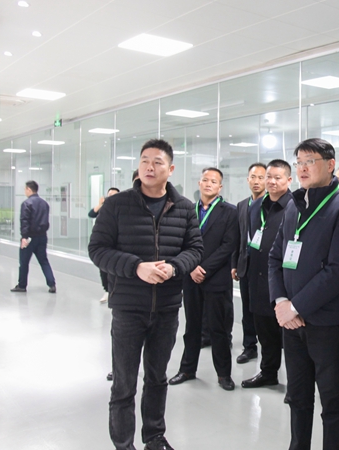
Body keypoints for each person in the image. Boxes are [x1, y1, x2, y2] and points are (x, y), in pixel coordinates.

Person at [88, 138, 203, 450]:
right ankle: (123, 444)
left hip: (166, 308)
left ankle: (154, 436)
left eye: (157, 162)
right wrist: (136, 267)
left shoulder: (184, 208)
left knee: (157, 377)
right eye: (144, 161)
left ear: (171, 169)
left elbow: (195, 249)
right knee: (123, 384)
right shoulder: (117, 205)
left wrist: (175, 267)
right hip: (128, 308)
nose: (149, 167)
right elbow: (97, 249)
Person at [268, 138, 339, 450]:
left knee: (332, 399)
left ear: (330, 165)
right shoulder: (294, 204)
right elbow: (275, 257)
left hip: (326, 323)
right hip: (291, 322)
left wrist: (295, 307)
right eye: (299, 162)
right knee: (297, 396)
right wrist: (281, 302)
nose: (303, 168)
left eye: (310, 161)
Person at [169, 168, 239, 391]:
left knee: (219, 330)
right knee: (192, 327)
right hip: (191, 279)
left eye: (214, 181)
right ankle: (187, 369)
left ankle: (224, 375)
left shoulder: (230, 212)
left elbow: (228, 245)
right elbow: (180, 242)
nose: (209, 184)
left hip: (216, 279)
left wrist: (204, 269)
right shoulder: (188, 210)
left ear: (220, 187)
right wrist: (190, 268)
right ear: (199, 183)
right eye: (205, 180)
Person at [241, 159, 293, 389]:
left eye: (277, 177)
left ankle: (296, 384)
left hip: (284, 282)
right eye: (268, 177)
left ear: (289, 180)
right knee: (265, 332)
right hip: (258, 279)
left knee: (289, 336)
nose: (271, 182)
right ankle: (268, 372)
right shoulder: (257, 206)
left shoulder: (295, 207)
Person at [231, 162, 267, 364]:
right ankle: (249, 346)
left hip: (265, 268)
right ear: (247, 180)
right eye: (253, 177)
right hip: (246, 265)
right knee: (247, 309)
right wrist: (234, 264)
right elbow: (238, 237)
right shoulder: (242, 205)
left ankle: (271, 346)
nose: (256, 181)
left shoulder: (272, 204)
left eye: (261, 177)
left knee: (265, 310)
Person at [11, 180, 57, 293]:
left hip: (29, 238)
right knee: (44, 261)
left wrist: (24, 237)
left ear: (29, 189)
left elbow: (24, 221)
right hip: (42, 237)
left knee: (24, 263)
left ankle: (22, 285)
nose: (25, 191)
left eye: (25, 189)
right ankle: (52, 284)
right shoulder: (45, 204)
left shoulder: (26, 204)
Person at [89, 187, 121, 303]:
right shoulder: (104, 208)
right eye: (109, 195)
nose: (111, 197)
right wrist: (100, 204)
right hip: (105, 241)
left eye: (114, 195)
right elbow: (91, 214)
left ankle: (116, 290)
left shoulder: (121, 208)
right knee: (103, 267)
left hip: (117, 242)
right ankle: (107, 290)